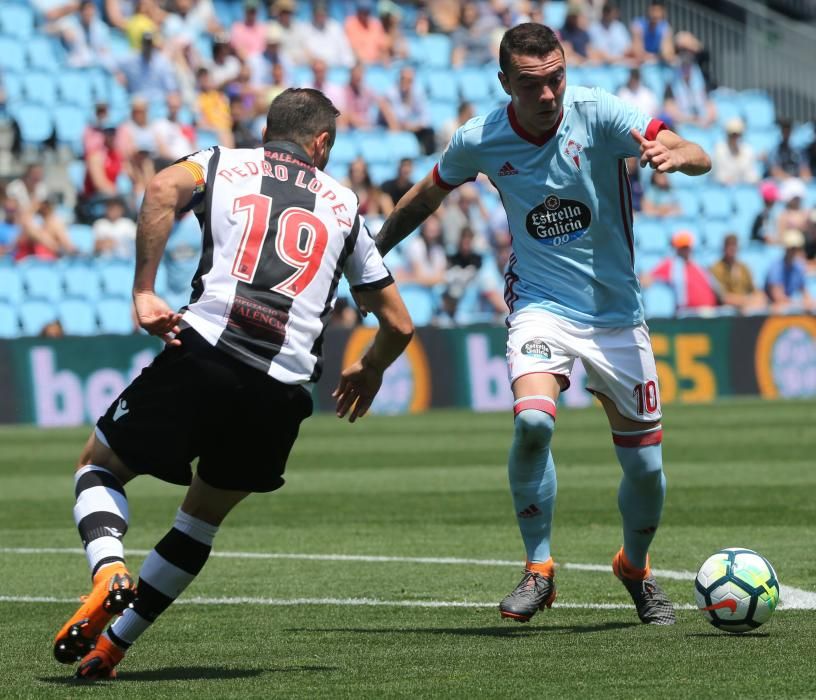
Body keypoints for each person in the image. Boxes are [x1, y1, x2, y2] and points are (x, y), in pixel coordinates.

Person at [52, 88, 414, 680]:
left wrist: (144, 291)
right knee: (200, 520)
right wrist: (369, 368)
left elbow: (161, 189)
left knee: (98, 467)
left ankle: (109, 569)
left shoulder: (221, 162)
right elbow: (399, 323)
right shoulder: (346, 206)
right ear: (321, 143)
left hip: (207, 353)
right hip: (286, 387)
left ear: (268, 130)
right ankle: (113, 645)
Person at [373, 23, 711, 626]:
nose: (550, 93)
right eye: (534, 83)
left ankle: (634, 566)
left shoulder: (601, 113)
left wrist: (677, 155)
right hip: (539, 303)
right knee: (533, 422)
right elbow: (426, 197)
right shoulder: (479, 139)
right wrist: (370, 256)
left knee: (646, 467)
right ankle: (540, 569)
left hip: (615, 312)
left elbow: (693, 150)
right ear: (505, 82)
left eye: (557, 77)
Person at [641, 230, 719, 313]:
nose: (685, 250)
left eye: (687, 247)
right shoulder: (671, 264)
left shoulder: (699, 265)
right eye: (682, 248)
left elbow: (714, 286)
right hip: (688, 314)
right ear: (676, 248)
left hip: (710, 311)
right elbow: (648, 277)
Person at [708, 234, 766, 313]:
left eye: (734, 245)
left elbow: (756, 291)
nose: (732, 248)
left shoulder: (744, 268)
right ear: (724, 248)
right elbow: (724, 298)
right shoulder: (716, 269)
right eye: (729, 245)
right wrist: (746, 301)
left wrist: (759, 299)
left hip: (747, 308)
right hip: (727, 313)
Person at [765, 229, 813, 312]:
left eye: (797, 248)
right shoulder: (776, 268)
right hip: (771, 306)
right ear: (786, 249)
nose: (794, 252)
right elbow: (778, 298)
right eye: (792, 248)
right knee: (779, 308)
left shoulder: (798, 267)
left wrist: (809, 302)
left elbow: (805, 292)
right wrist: (799, 304)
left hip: (788, 304)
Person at [712, 118, 760, 186]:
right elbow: (719, 177)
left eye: (738, 134)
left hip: (743, 189)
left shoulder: (748, 150)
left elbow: (752, 177)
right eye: (732, 135)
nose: (735, 138)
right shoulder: (719, 150)